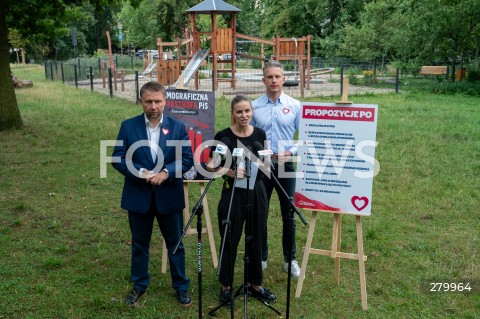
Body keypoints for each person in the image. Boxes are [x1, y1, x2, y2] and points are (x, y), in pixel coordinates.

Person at [112, 81, 193, 307]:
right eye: (148, 101)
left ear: (165, 101)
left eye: (158, 101)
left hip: (169, 194)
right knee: (140, 243)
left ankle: (181, 286)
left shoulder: (177, 127)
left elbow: (186, 159)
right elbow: (118, 157)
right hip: (139, 195)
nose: (154, 106)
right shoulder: (128, 127)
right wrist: (140, 173)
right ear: (141, 101)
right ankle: (139, 285)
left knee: (175, 243)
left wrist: (166, 173)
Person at [207, 95, 276, 305]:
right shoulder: (224, 136)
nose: (244, 115)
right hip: (233, 194)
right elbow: (211, 165)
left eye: (247, 111)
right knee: (230, 237)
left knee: (257, 238)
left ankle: (255, 285)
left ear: (252, 112)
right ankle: (225, 286)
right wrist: (229, 171)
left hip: (257, 192)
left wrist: (267, 161)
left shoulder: (260, 134)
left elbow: (266, 164)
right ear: (232, 113)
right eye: (239, 112)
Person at [251, 61, 302, 278]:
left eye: (277, 77)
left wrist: (290, 153)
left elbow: (307, 138)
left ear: (283, 79)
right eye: (269, 77)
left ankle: (290, 259)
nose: (273, 80)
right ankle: (261, 257)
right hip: (261, 165)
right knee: (259, 212)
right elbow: (247, 135)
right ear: (264, 80)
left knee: (288, 213)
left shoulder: (296, 105)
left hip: (285, 164)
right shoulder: (253, 106)